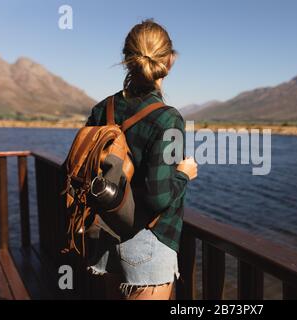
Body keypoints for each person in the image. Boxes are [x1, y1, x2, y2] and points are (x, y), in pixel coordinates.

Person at [84, 19, 197, 300]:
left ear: (126, 59)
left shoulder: (102, 109)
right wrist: (184, 173)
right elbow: (158, 198)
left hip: (105, 233)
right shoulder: (168, 118)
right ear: (169, 61)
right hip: (147, 243)